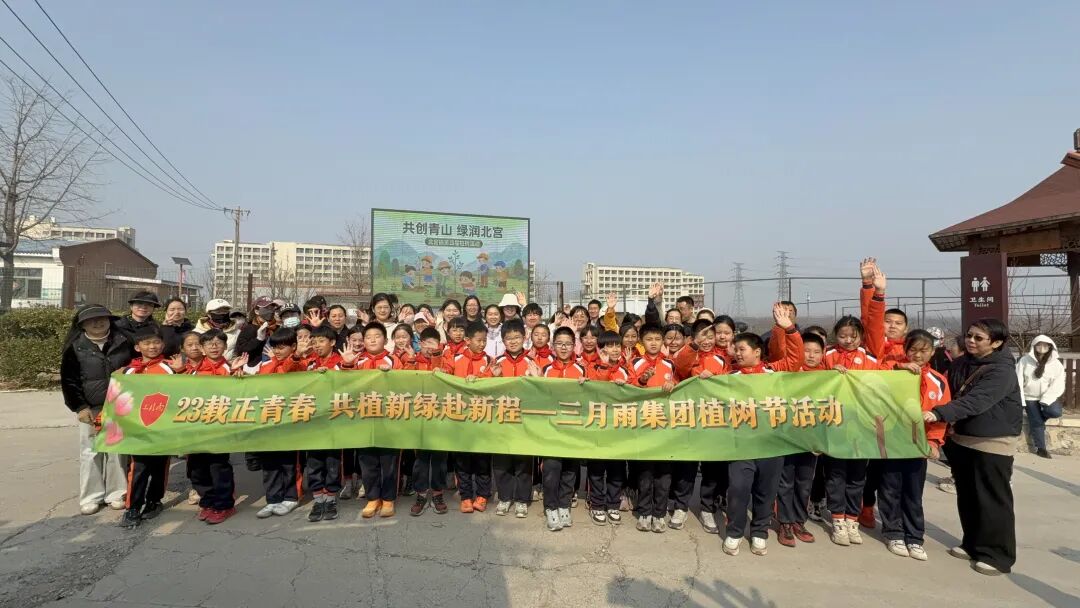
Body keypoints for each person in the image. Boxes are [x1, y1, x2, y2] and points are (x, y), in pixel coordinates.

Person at [924, 318, 1021, 576]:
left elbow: (976, 401)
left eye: (979, 338)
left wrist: (939, 413)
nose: (971, 341)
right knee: (968, 496)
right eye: (969, 335)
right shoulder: (961, 363)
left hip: (992, 442)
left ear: (996, 343)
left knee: (992, 499)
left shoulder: (1002, 371)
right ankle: (972, 543)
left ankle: (997, 555)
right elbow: (945, 390)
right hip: (961, 439)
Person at [722, 304, 802, 557]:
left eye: (742, 349)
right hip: (741, 446)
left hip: (771, 445)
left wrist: (789, 329)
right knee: (738, 489)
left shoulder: (773, 372)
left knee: (766, 492)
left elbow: (795, 360)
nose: (737, 354)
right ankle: (735, 532)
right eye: (735, 350)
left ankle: (759, 532)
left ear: (757, 352)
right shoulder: (729, 377)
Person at [878, 330, 949, 562]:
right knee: (890, 488)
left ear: (933, 351)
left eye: (924, 350)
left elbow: (941, 415)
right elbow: (873, 375)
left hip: (918, 445)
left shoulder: (938, 381)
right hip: (891, 441)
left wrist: (934, 442)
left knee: (913, 491)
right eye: (913, 350)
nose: (918, 355)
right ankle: (893, 532)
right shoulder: (894, 372)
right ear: (905, 350)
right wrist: (898, 368)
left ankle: (915, 537)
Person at [60, 305, 134, 515]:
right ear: (82, 324)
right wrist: (80, 407)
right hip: (91, 408)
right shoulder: (75, 347)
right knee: (91, 452)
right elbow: (69, 381)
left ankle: (117, 493)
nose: (98, 322)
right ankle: (91, 496)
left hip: (120, 405)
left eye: (102, 318)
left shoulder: (123, 342)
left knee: (117, 451)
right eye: (91, 320)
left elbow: (137, 366)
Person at [119, 326, 180, 529]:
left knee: (160, 467)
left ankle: (154, 501)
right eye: (147, 343)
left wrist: (181, 372)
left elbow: (181, 394)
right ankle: (132, 507)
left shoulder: (170, 368)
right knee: (138, 468)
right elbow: (118, 398)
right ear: (138, 347)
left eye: (156, 342)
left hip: (163, 427)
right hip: (138, 429)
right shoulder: (128, 371)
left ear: (162, 344)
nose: (152, 346)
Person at [775, 330, 830, 548]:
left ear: (823, 354)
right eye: (806, 350)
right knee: (785, 481)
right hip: (787, 437)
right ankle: (785, 522)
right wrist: (785, 328)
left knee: (804, 482)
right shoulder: (790, 372)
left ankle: (799, 520)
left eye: (816, 351)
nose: (811, 355)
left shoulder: (829, 377)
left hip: (811, 440)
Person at [348, 321, 404, 518]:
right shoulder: (356, 360)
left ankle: (388, 499)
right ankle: (372, 498)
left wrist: (392, 376)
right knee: (367, 460)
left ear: (386, 340)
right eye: (368, 337)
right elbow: (345, 386)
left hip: (388, 419)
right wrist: (347, 365)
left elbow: (406, 385)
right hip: (363, 418)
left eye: (377, 336)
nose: (372, 340)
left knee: (389, 461)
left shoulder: (394, 360)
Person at [629, 323, 677, 534]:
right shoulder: (635, 362)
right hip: (644, 425)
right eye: (649, 339)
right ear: (642, 341)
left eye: (658, 339)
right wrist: (642, 380)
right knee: (645, 473)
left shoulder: (670, 363)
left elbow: (681, 385)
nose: (654, 343)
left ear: (663, 341)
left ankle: (659, 513)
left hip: (665, 427)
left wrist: (673, 384)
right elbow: (628, 387)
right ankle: (644, 512)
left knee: (664, 474)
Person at [188, 330, 240, 525]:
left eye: (218, 343)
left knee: (218, 466)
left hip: (220, 426)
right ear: (202, 348)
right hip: (196, 426)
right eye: (209, 343)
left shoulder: (231, 369)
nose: (214, 346)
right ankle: (207, 501)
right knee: (197, 467)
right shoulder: (192, 371)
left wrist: (238, 376)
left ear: (225, 347)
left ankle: (224, 505)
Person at [254, 328, 307, 519]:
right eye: (275, 347)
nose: (277, 351)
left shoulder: (300, 363)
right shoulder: (267, 364)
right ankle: (273, 499)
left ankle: (292, 497)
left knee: (289, 462)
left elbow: (290, 369)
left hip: (290, 420)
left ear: (293, 347)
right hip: (269, 419)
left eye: (282, 347)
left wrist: (295, 357)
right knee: (270, 463)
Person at [540, 326, 588, 531]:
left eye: (568, 344)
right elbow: (538, 395)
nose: (564, 347)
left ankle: (564, 505)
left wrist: (587, 384)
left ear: (574, 346)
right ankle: (550, 507)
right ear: (553, 346)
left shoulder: (582, 369)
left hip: (574, 428)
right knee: (552, 468)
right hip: (551, 428)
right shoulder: (546, 370)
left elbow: (592, 397)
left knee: (570, 469)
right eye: (559, 343)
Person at [447, 321, 495, 514]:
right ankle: (466, 496)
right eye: (478, 340)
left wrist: (485, 377)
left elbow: (495, 385)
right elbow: (445, 377)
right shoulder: (454, 358)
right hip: (460, 418)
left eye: (484, 340)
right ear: (467, 340)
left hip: (482, 418)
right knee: (462, 460)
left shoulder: (490, 360)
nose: (482, 344)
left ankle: (482, 495)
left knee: (482, 459)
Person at [584, 330, 629, 526]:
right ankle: (597, 504)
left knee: (617, 469)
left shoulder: (625, 369)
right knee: (596, 468)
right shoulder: (591, 368)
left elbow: (636, 390)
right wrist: (604, 367)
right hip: (598, 427)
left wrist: (627, 386)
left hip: (619, 428)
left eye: (617, 345)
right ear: (601, 349)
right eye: (609, 346)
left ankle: (613, 504)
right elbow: (597, 391)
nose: (615, 349)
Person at [491, 320, 534, 519]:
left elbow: (543, 389)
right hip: (502, 419)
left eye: (517, 337)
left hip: (525, 420)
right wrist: (494, 377)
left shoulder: (532, 361)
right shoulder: (497, 361)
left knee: (523, 462)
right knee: (501, 462)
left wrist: (536, 377)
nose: (513, 341)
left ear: (524, 338)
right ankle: (505, 497)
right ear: (503, 340)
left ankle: (522, 499)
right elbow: (487, 390)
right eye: (509, 338)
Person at [303, 325, 346, 523]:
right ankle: (318, 499)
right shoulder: (308, 363)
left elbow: (350, 383)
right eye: (314, 342)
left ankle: (330, 499)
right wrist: (298, 357)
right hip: (312, 421)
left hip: (334, 421)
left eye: (321, 341)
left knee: (332, 462)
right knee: (313, 462)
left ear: (332, 342)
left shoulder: (341, 363)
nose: (317, 345)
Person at [408, 327, 451, 517]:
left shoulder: (445, 359)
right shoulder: (413, 360)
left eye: (433, 343)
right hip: (419, 417)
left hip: (441, 416)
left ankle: (438, 493)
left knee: (440, 458)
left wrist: (436, 357)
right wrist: (411, 360)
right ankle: (421, 494)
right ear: (420, 343)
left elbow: (448, 374)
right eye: (425, 343)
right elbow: (404, 380)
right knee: (421, 460)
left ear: (439, 344)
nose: (429, 347)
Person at [1016, 335, 1065, 458]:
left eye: (1045, 345)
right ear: (1034, 346)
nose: (1042, 347)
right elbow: (1018, 380)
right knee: (1036, 422)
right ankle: (1041, 449)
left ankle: (1038, 420)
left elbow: (1058, 383)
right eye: (1039, 344)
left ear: (1050, 347)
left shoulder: (1056, 364)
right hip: (1029, 397)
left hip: (1047, 397)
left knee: (1055, 412)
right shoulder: (1025, 361)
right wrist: (1021, 400)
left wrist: (1046, 399)